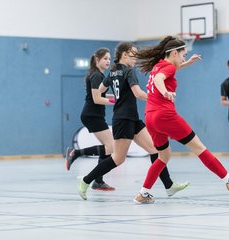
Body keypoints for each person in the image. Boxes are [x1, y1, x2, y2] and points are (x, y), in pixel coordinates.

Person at [133, 36, 229, 204]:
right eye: (183, 55)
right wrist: (165, 92)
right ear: (174, 53)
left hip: (150, 117)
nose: (184, 58)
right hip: (165, 115)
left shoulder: (158, 65)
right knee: (199, 148)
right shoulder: (167, 69)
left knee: (163, 156)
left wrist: (187, 63)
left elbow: (165, 73)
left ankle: (143, 194)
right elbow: (161, 79)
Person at [76, 42, 189, 200]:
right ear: (124, 54)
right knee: (118, 158)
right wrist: (158, 96)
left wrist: (117, 95)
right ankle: (86, 180)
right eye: (133, 55)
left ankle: (168, 185)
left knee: (154, 149)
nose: (135, 58)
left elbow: (101, 90)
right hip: (123, 119)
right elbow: (138, 93)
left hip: (132, 118)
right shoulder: (129, 71)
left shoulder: (113, 71)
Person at [65, 48, 116, 191]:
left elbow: (102, 96)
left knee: (108, 148)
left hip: (94, 115)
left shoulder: (97, 75)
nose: (108, 61)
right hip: (92, 115)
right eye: (105, 58)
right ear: (97, 60)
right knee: (110, 147)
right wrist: (114, 102)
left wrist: (116, 96)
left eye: (109, 59)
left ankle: (98, 181)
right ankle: (76, 153)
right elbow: (97, 99)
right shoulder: (96, 76)